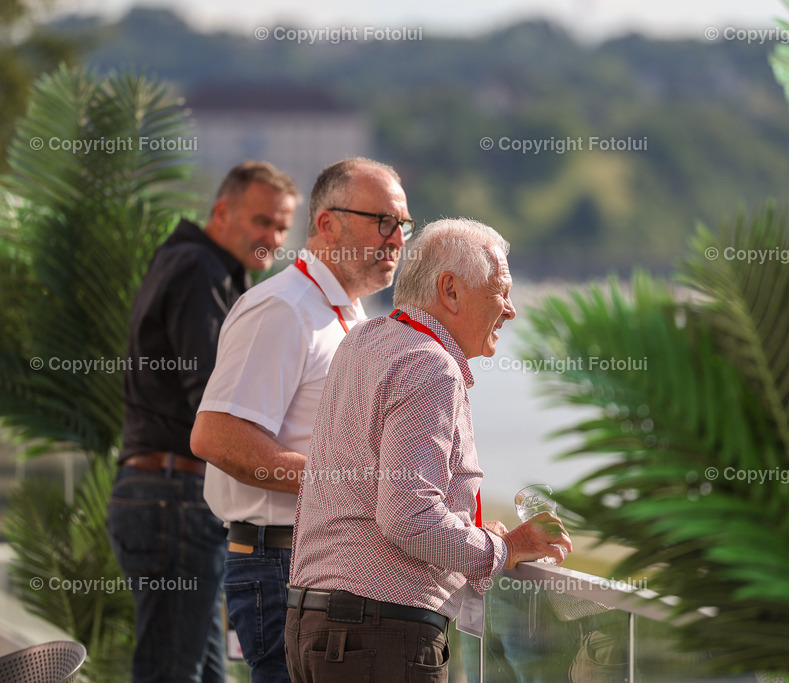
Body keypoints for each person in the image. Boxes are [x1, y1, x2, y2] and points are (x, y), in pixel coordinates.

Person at [285, 217, 574, 683]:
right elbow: (408, 517)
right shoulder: (429, 364)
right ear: (451, 290)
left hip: (313, 622)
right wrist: (505, 547)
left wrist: (470, 532)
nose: (511, 310)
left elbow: (379, 491)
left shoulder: (363, 340)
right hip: (378, 634)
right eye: (501, 290)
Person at [189, 157, 413, 683]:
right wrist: (350, 484)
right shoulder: (283, 308)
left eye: (403, 224)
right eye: (381, 221)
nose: (396, 239)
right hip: (279, 565)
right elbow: (216, 437)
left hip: (313, 565)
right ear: (327, 224)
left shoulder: (341, 313)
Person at [107, 161, 299, 683]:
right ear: (221, 212)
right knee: (173, 673)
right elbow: (215, 402)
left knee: (204, 674)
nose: (272, 238)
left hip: (166, 493)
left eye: (282, 228)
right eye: (262, 221)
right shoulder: (199, 268)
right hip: (175, 495)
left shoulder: (190, 262)